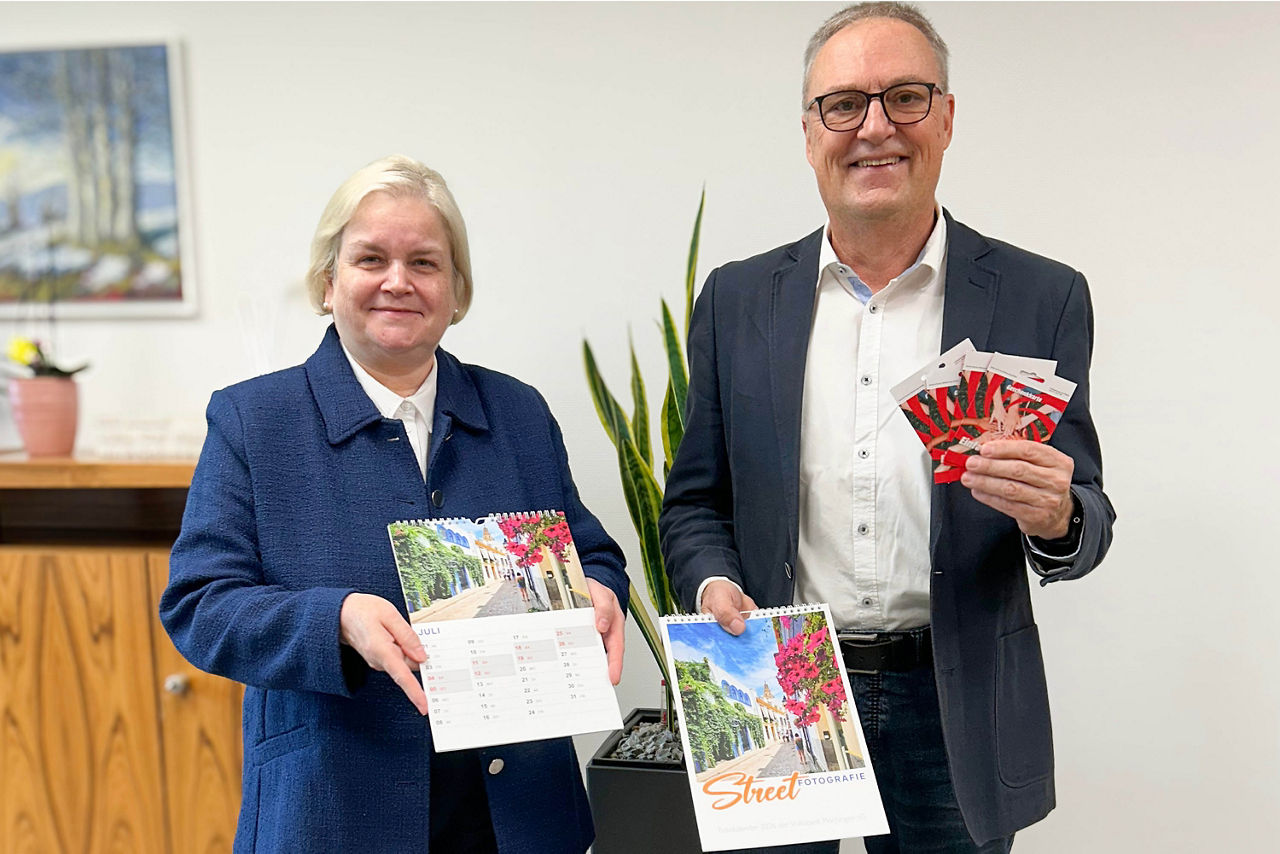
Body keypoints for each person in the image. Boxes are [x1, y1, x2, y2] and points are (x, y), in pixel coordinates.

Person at [659, 4, 1114, 853]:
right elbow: (694, 504)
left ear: (946, 118)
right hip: (779, 685)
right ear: (808, 132)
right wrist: (710, 584)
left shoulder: (1039, 297)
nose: (874, 127)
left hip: (953, 700)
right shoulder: (734, 300)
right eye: (843, 104)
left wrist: (1058, 517)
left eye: (904, 97)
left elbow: (1086, 513)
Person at [160, 154, 628, 854]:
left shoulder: (519, 412)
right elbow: (199, 605)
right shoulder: (254, 421)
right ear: (327, 282)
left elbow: (590, 550)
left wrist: (599, 589)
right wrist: (337, 620)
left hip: (516, 816)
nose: (398, 282)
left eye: (425, 263)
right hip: (334, 810)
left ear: (457, 290)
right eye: (370, 258)